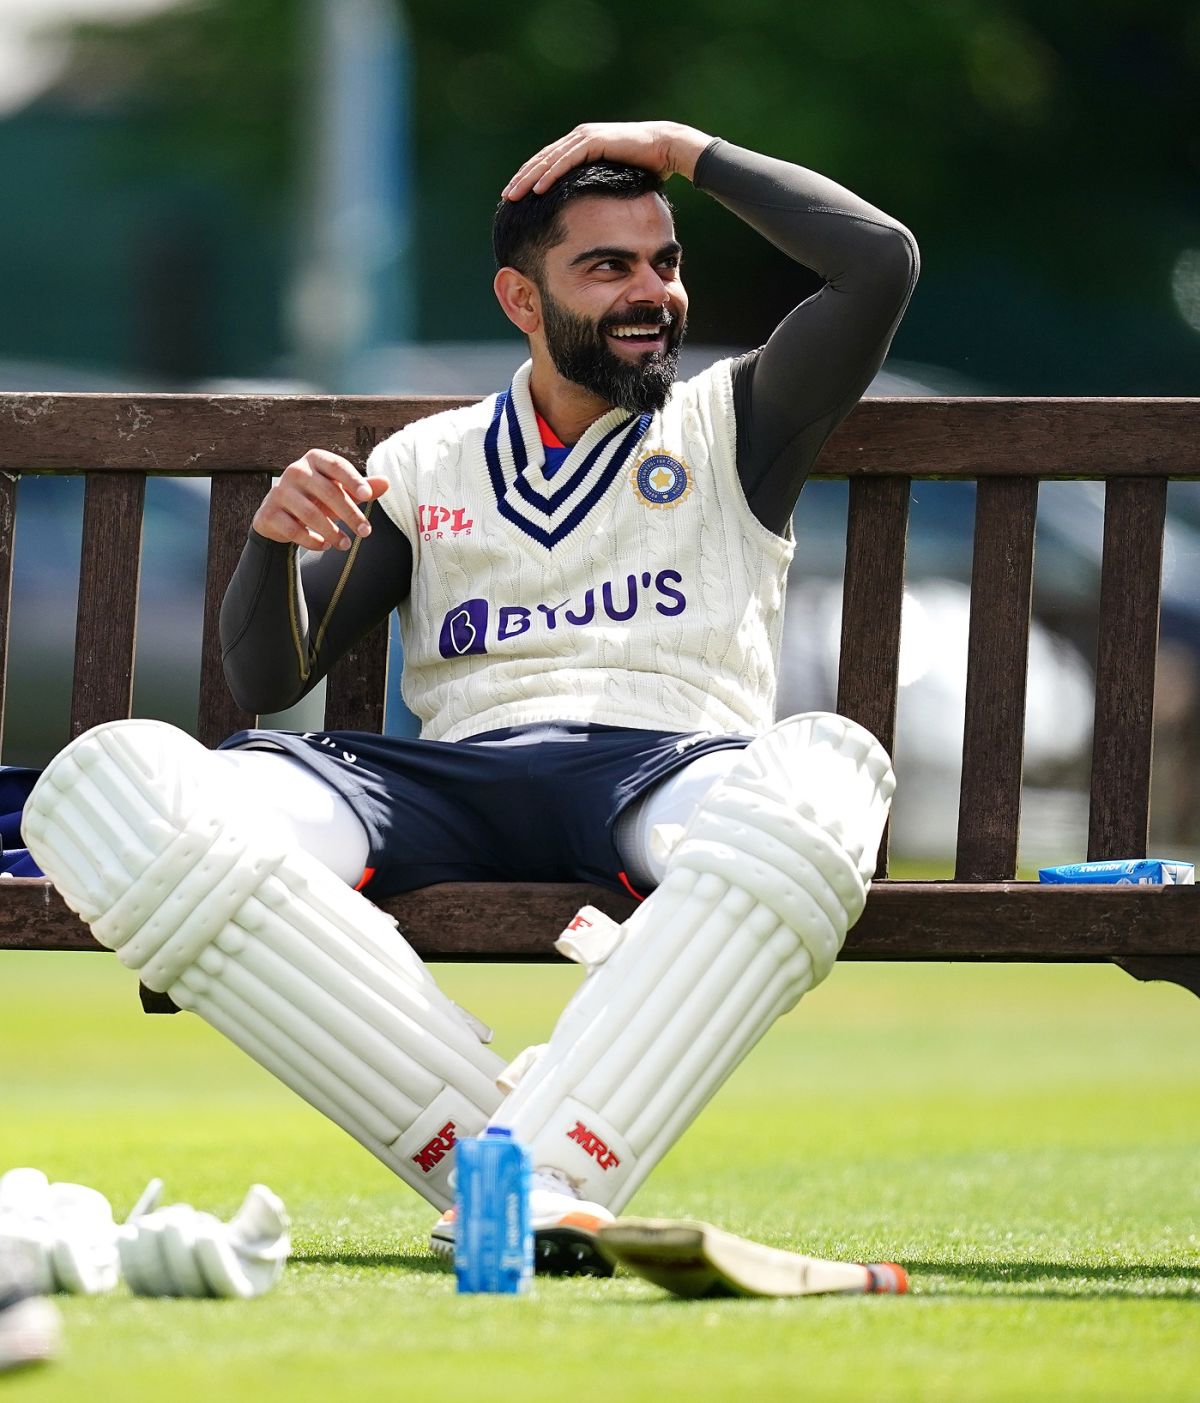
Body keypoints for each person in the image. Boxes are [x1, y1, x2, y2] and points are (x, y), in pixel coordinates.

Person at [22, 121, 917, 1276]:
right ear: (521, 297)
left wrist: (680, 148)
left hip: (667, 764)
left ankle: (518, 1166)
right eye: (608, 267)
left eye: (665, 262)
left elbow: (879, 260)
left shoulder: (736, 418)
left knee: (824, 780)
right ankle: (523, 1173)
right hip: (452, 779)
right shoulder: (429, 458)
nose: (653, 294)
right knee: (127, 789)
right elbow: (268, 678)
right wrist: (267, 545)